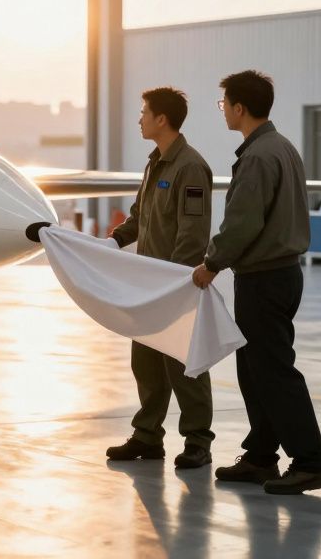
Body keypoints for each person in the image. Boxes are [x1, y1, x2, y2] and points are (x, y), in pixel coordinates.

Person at [191, 70, 321, 495]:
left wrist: (211, 263)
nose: (223, 112)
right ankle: (260, 455)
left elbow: (243, 222)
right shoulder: (282, 147)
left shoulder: (257, 156)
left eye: (224, 105)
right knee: (254, 369)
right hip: (282, 273)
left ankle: (310, 461)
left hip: (265, 277)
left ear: (239, 107)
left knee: (272, 370)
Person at [106, 87, 215, 470]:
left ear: (161, 119)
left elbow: (194, 233)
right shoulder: (155, 164)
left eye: (144, 113)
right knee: (146, 363)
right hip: (150, 286)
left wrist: (174, 280)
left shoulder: (190, 166)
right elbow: (139, 217)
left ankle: (198, 441)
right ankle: (148, 436)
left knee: (185, 366)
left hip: (175, 286)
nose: (140, 119)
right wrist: (113, 241)